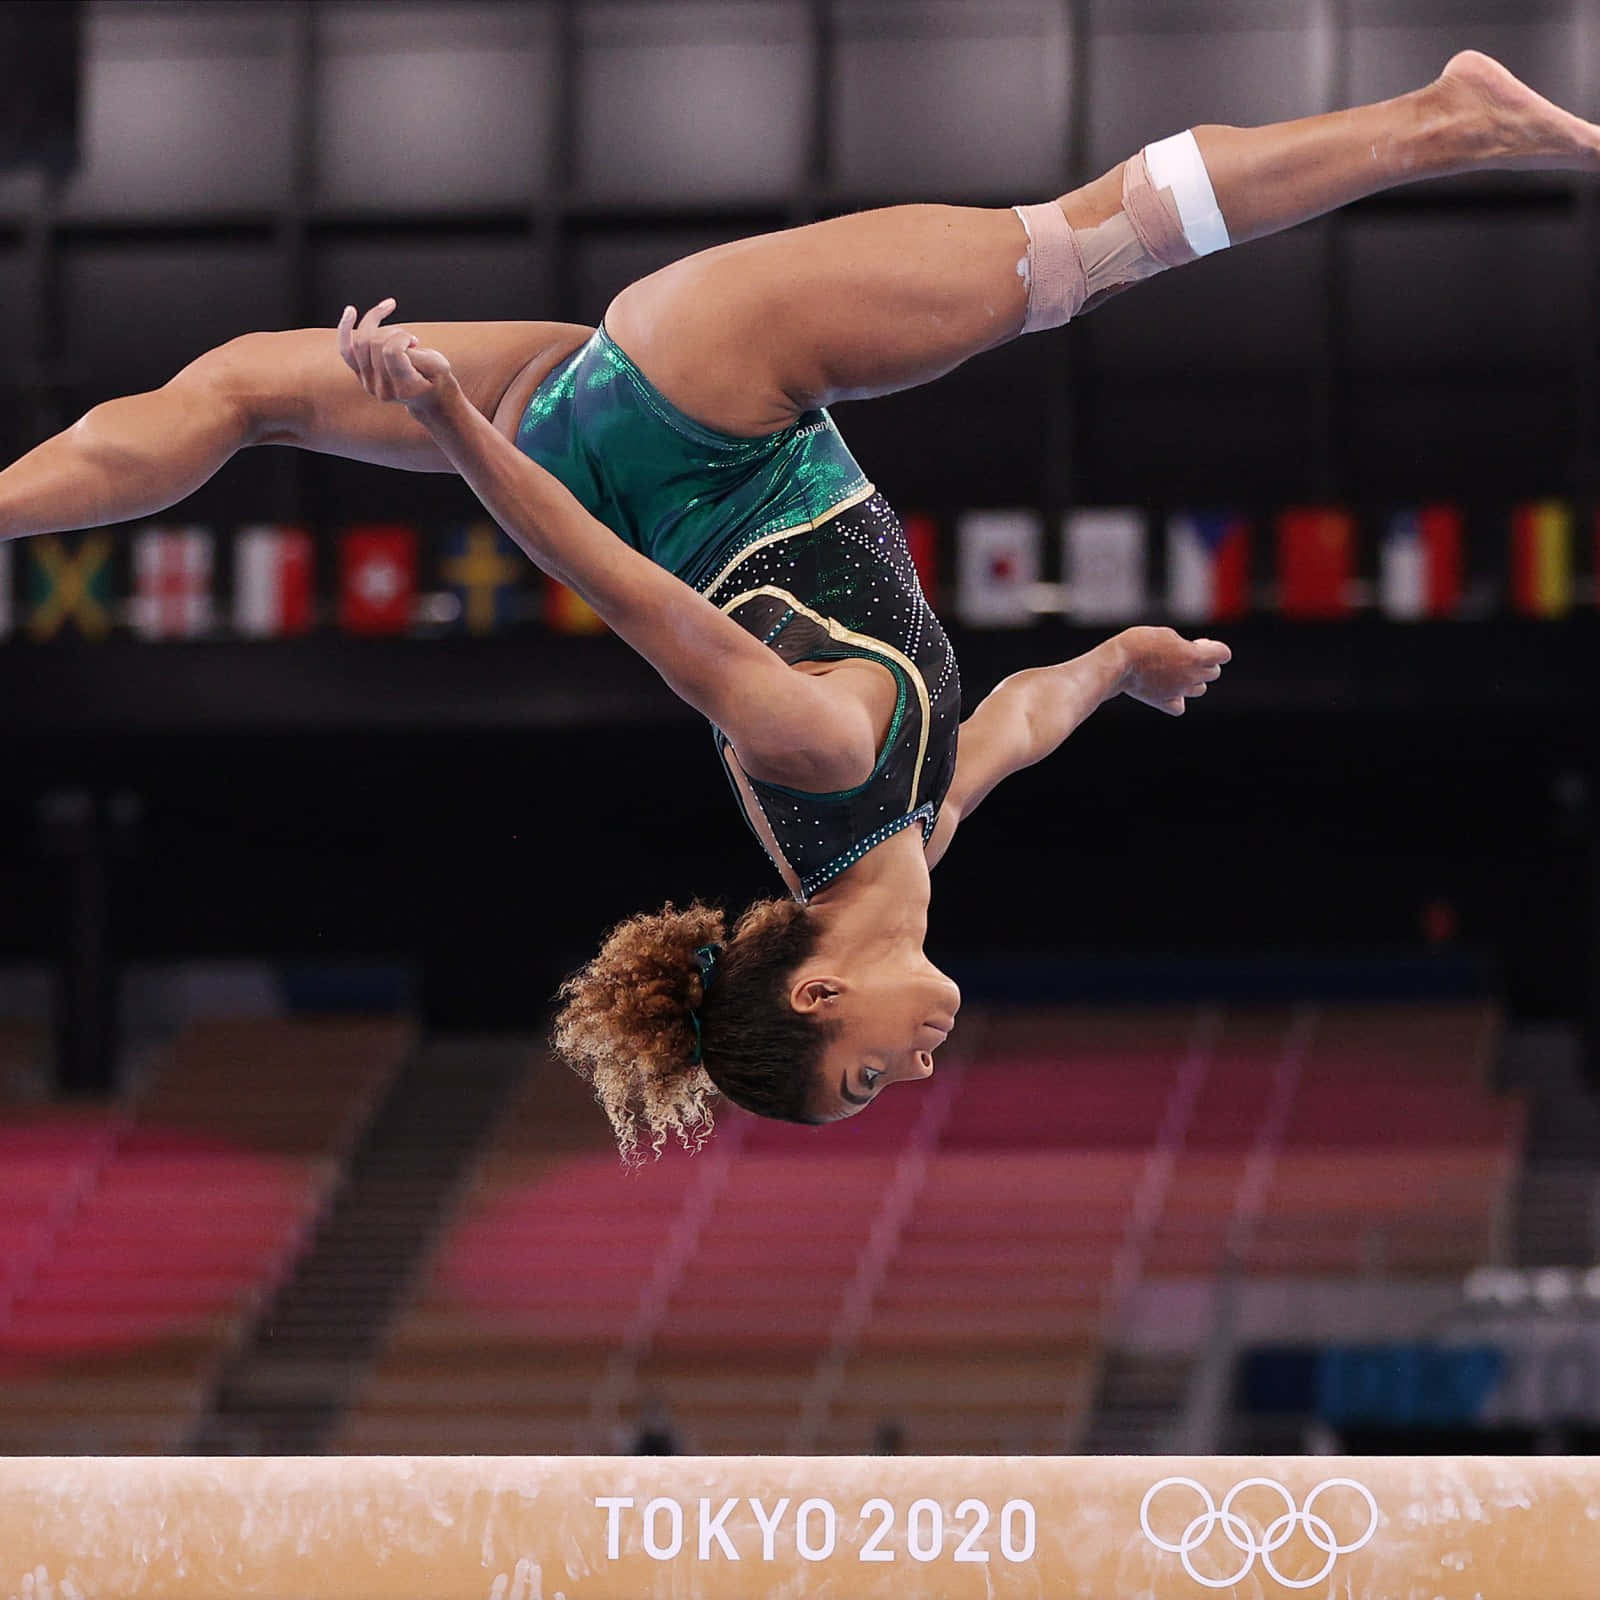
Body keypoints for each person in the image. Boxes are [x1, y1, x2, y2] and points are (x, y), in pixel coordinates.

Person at [1, 52, 1594, 1158]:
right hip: (609, 421)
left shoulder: (821, 758)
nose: (906, 1076)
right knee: (235, 396)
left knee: (1075, 254)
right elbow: (1013, 728)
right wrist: (1117, 660)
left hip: (711, 401)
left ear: (816, 991)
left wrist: (446, 426)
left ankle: (1442, 123)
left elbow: (616, 592)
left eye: (857, 1080)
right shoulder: (904, 834)